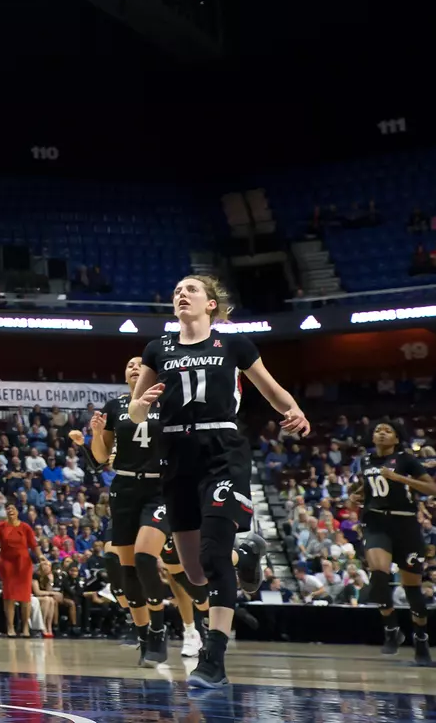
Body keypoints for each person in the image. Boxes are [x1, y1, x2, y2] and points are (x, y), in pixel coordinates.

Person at [130, 275, 309, 690]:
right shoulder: (157, 349)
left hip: (221, 449)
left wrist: (295, 410)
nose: (181, 294)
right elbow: (138, 416)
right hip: (175, 454)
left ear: (211, 304)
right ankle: (244, 556)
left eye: (190, 290)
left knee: (210, 555)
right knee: (193, 574)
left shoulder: (234, 344)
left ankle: (214, 657)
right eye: (176, 290)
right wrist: (140, 405)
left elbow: (271, 389)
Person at [75, 356, 189, 666]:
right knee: (126, 571)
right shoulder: (115, 406)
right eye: (129, 365)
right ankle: (144, 636)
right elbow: (99, 459)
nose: (134, 367)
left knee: (143, 556)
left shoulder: (168, 401)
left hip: (160, 488)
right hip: (124, 488)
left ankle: (159, 627)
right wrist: (97, 435)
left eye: (140, 363)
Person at [355, 420, 436, 665]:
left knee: (413, 590)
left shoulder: (407, 460)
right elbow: (371, 488)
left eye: (387, 431)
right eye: (378, 430)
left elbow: (432, 489)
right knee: (378, 576)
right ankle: (391, 628)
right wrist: (357, 493)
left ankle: (421, 639)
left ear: (396, 439)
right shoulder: (366, 461)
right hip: (376, 523)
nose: (381, 433)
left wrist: (400, 479)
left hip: (406, 525)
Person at [0, 503, 38, 637]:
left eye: (13, 508)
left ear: (17, 512)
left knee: (25, 597)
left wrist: (41, 557)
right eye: (8, 509)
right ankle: (10, 628)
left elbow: (34, 545)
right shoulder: (1, 526)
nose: (10, 510)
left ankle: (25, 628)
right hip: (7, 563)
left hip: (24, 564)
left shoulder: (25, 527)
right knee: (9, 596)